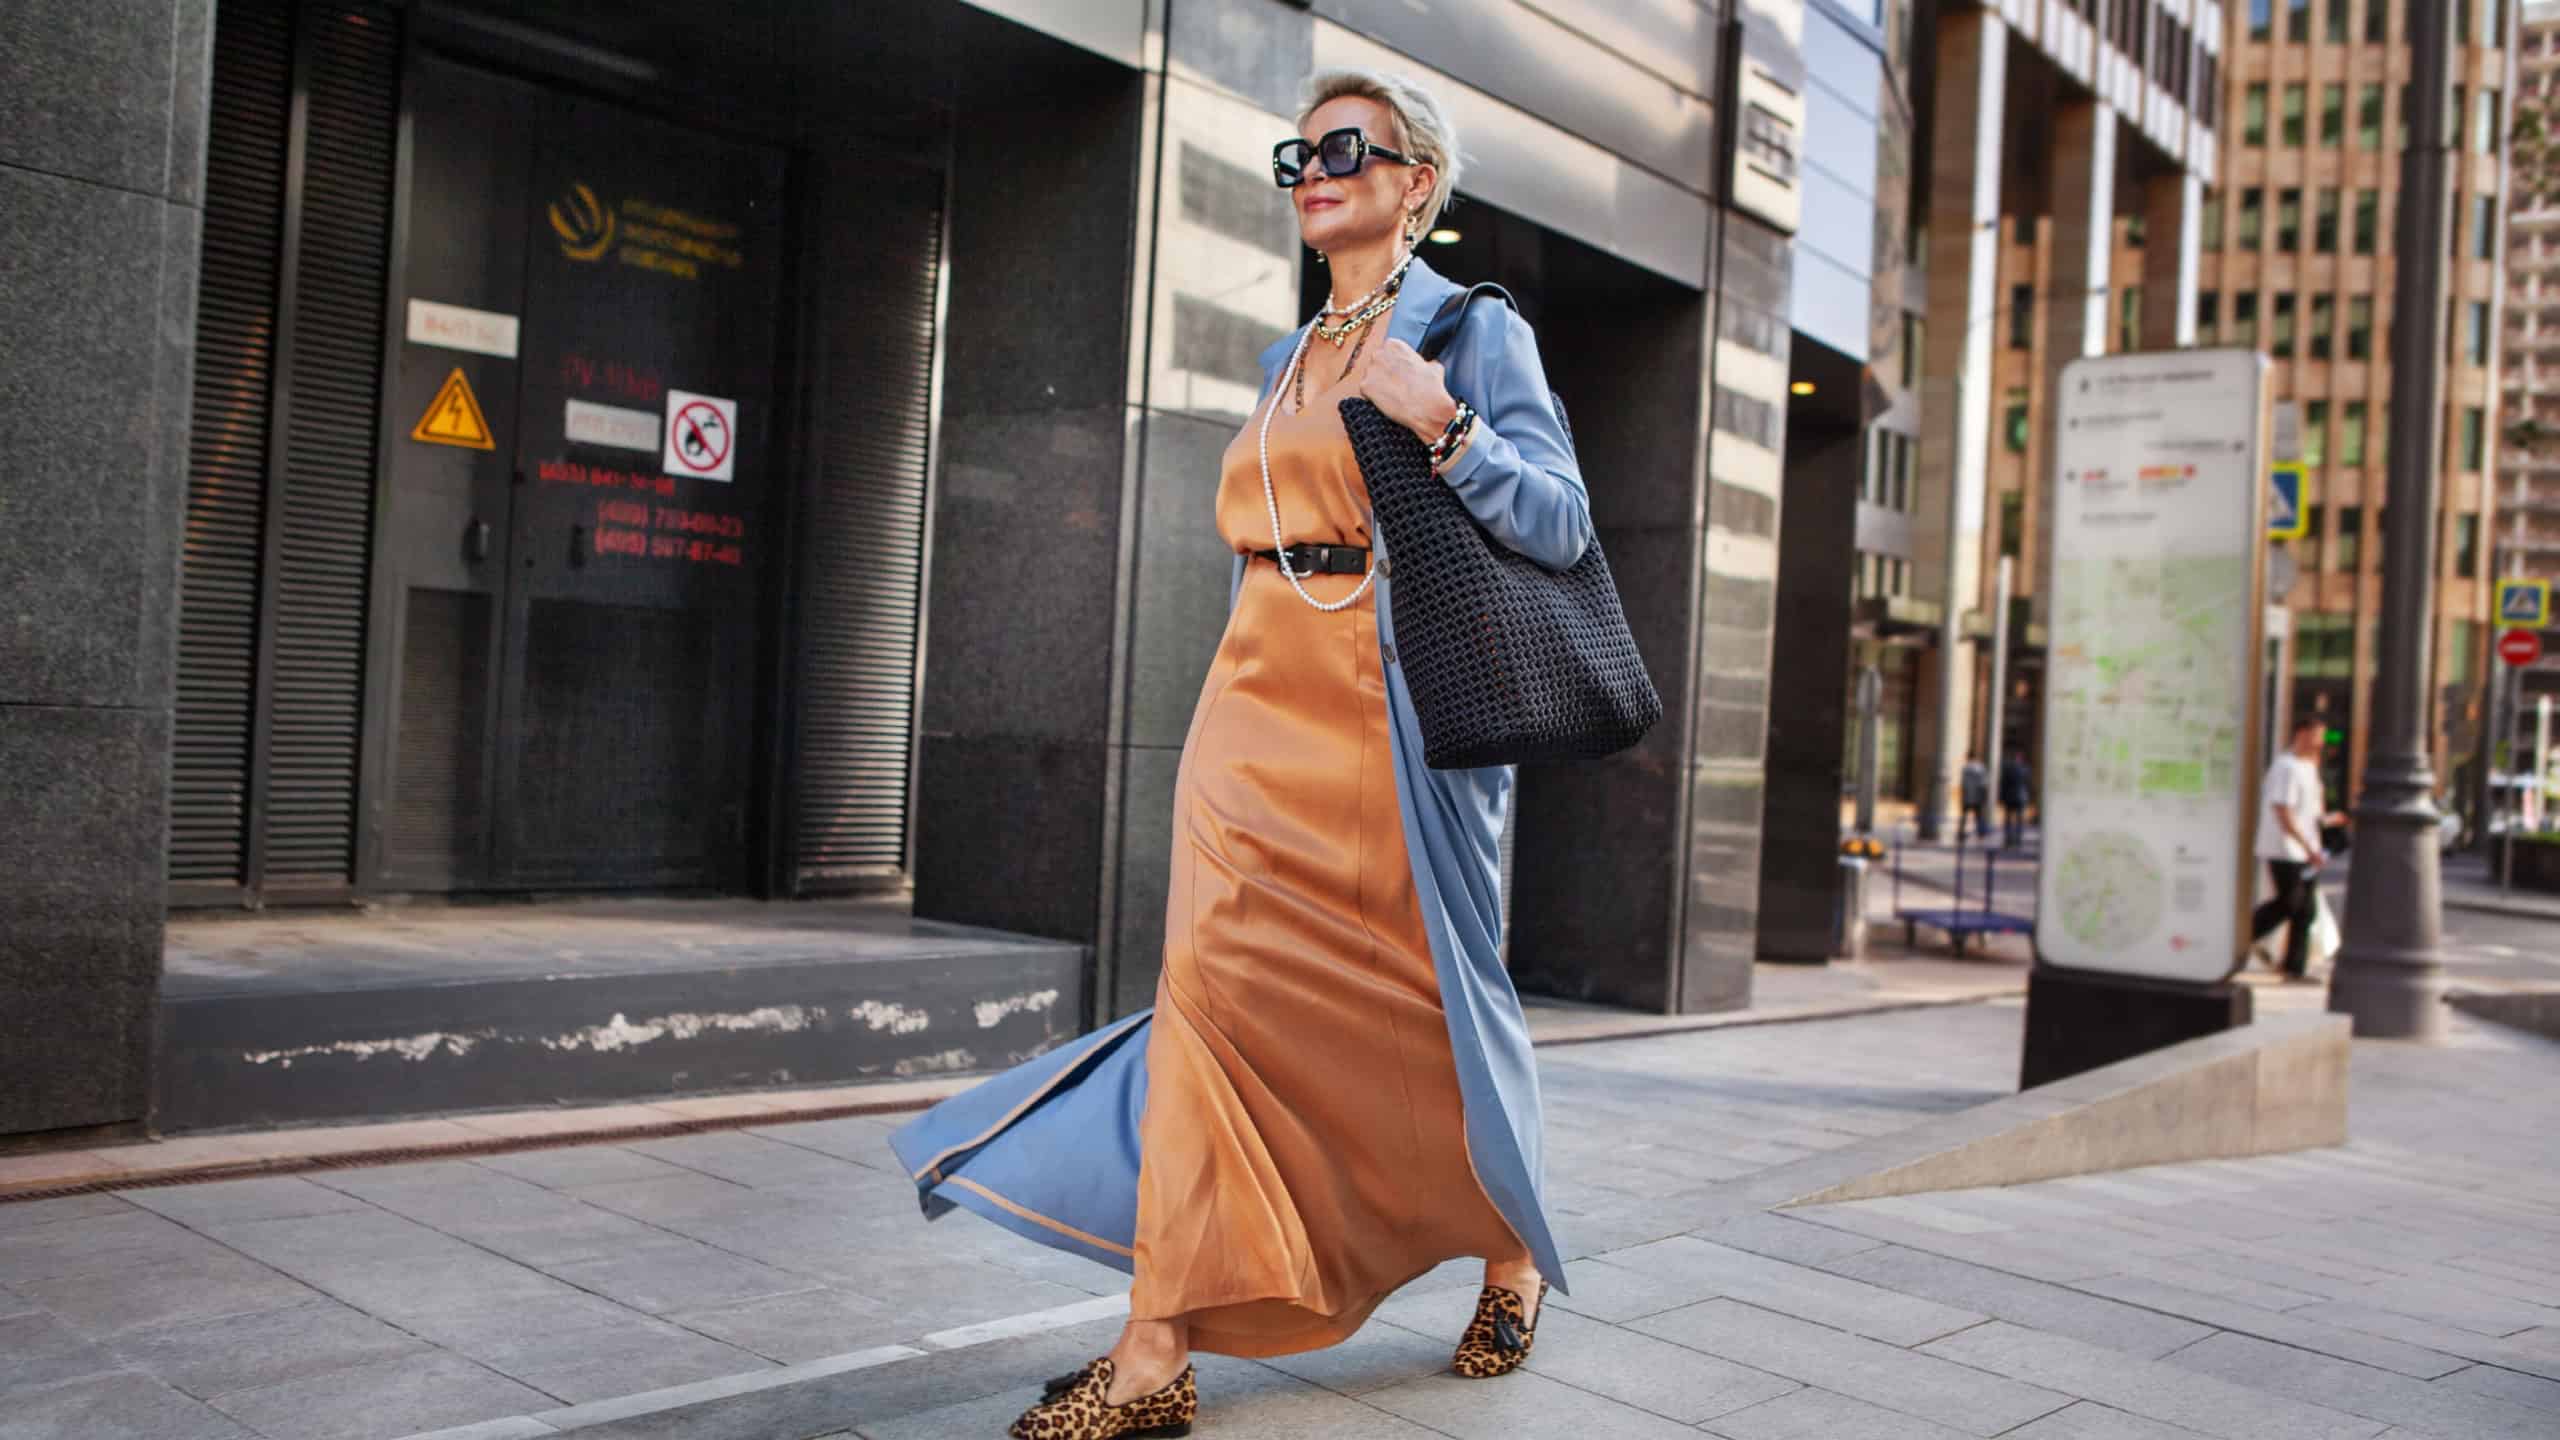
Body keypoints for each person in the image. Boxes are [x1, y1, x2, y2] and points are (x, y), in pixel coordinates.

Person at [889, 68, 1587, 1440]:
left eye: (1347, 148)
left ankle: (1507, 1246)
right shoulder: (1285, 360)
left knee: (1433, 1005)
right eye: (1299, 153)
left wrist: (1442, 423)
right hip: (1254, 709)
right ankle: (1156, 1350)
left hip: (1396, 723)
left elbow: (1559, 521)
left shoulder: (1468, 329)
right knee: (1212, 1003)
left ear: (1416, 181)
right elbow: (1259, 540)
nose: (1313, 170)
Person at [2251, 718, 2344, 980]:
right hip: (2285, 849)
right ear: (2301, 734)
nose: (2321, 743)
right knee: (2291, 904)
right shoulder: (2286, 767)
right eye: (2317, 736)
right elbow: (2283, 810)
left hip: (2305, 851)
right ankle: (2246, 937)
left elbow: (2310, 812)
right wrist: (2305, 844)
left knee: (2303, 909)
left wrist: (2329, 822)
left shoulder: (2309, 768)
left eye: (2322, 738)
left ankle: (2294, 967)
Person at [1998, 748, 2033, 850]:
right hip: (2021, 797)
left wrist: (2001, 797)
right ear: (2021, 759)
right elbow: (2028, 784)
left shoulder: (2008, 769)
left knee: (2008, 819)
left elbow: (2003, 784)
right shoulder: (2026, 769)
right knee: (2019, 820)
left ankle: (2008, 840)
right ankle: (2017, 840)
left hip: (2009, 797)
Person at [1959, 753, 1989, 843]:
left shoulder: (1966, 768)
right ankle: (1981, 833)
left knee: (1964, 816)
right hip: (1977, 796)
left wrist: (1963, 794)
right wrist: (1984, 796)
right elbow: (1983, 784)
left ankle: (1961, 833)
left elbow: (1963, 783)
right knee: (1979, 816)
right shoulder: (1980, 768)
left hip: (1968, 796)